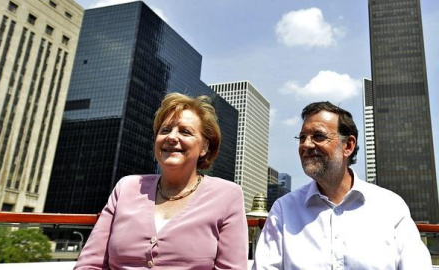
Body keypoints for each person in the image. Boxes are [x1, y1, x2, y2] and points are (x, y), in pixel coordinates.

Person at [75, 93, 248, 269]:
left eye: (185, 131)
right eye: (165, 130)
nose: (171, 137)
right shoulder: (126, 187)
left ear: (204, 147)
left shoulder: (228, 195)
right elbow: (89, 264)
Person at [253, 101, 432, 269]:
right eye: (302, 137)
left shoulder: (391, 207)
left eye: (318, 136)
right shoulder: (283, 210)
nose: (306, 144)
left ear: (348, 145)